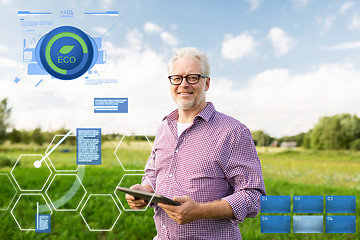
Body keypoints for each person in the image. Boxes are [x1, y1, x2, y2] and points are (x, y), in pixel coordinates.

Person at [126, 47, 266, 239]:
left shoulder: (233, 131)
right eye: (177, 78)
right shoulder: (163, 128)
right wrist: (144, 190)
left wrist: (199, 211)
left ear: (206, 83)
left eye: (192, 77)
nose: (184, 84)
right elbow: (152, 174)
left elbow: (252, 197)